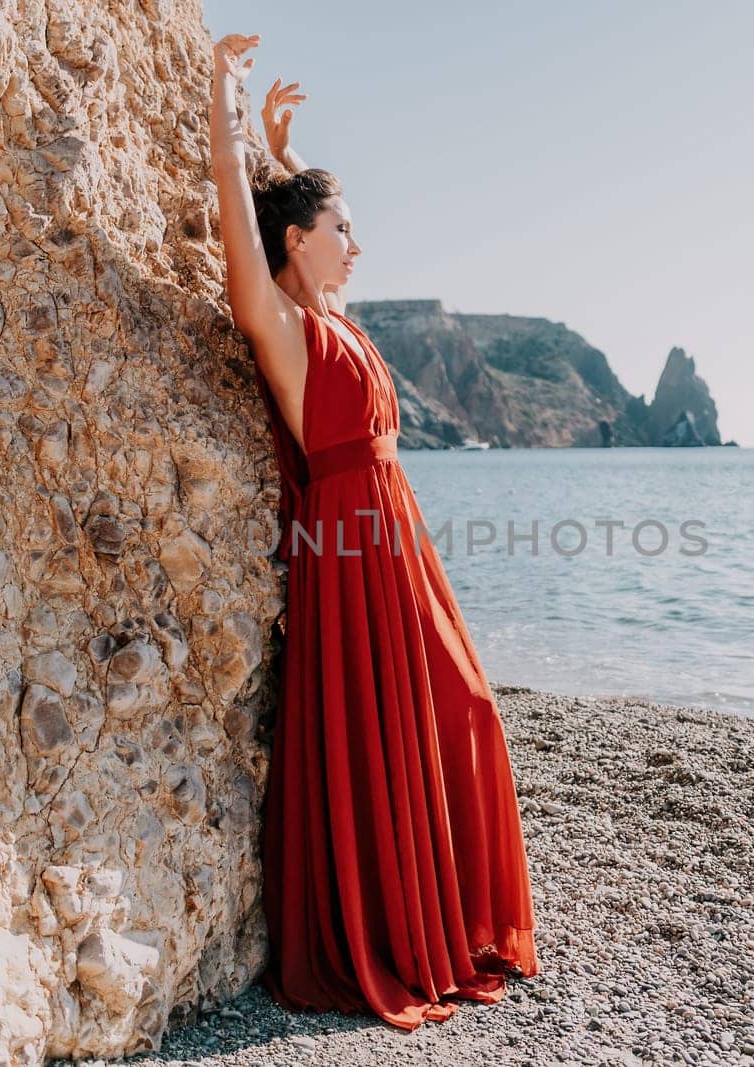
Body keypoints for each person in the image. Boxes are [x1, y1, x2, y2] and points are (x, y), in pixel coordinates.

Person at [207, 32, 541, 1031]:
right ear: (300, 240)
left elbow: (277, 211)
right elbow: (240, 224)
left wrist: (280, 149)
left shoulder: (338, 312)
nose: (358, 243)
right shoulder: (277, 321)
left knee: (463, 710)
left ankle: (456, 920)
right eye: (343, 226)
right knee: (397, 728)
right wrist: (226, 112)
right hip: (349, 545)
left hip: (396, 538)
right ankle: (404, 932)